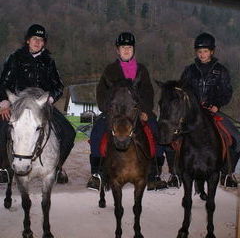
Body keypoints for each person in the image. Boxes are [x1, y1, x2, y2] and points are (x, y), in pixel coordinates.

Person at [87, 32, 167, 191]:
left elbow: (148, 92)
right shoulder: (110, 70)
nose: (126, 50)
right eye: (123, 47)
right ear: (117, 50)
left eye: (129, 47)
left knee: (156, 131)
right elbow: (102, 93)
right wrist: (108, 110)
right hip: (114, 112)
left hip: (137, 112)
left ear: (133, 49)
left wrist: (145, 110)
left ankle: (154, 175)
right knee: (96, 132)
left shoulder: (141, 70)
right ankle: (97, 174)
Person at [0, 24, 76, 183]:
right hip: (18, 105)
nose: (37, 42)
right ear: (28, 40)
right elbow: (3, 83)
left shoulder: (49, 61)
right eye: (34, 39)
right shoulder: (15, 57)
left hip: (42, 105)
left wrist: (50, 99)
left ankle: (57, 166)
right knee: (1, 129)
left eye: (41, 40)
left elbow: (58, 86)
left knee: (69, 132)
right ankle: (3, 167)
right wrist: (4, 101)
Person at [179, 32, 239, 188]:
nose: (202, 54)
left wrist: (216, 105)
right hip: (192, 112)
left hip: (212, 111)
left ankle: (227, 173)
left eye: (205, 51)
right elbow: (182, 90)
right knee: (172, 135)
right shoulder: (189, 70)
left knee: (236, 137)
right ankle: (175, 173)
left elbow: (227, 92)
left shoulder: (221, 70)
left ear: (212, 51)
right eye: (199, 51)